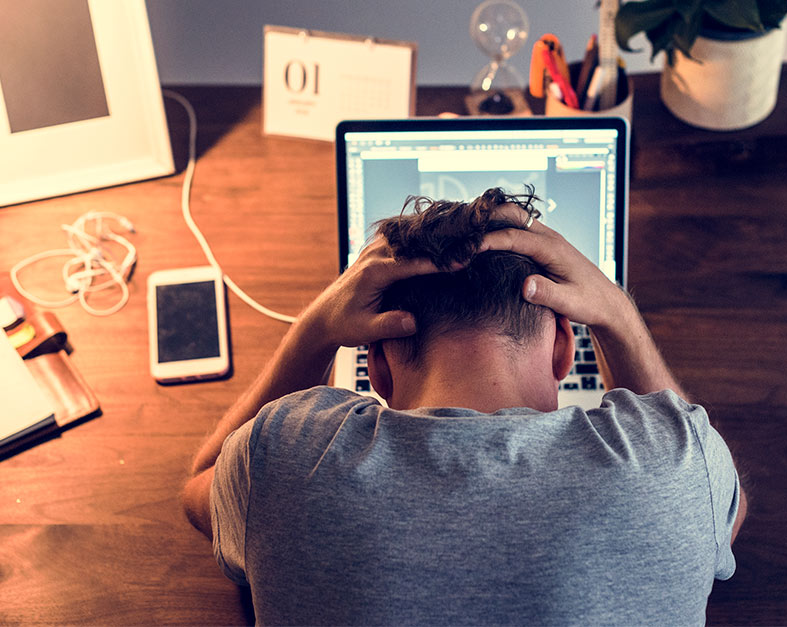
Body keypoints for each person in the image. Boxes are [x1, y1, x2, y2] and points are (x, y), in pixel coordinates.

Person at [181, 187, 747, 625]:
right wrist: (619, 315)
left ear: (375, 367)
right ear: (563, 350)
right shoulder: (677, 468)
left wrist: (315, 331)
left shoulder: (285, 458)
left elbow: (200, 484)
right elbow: (727, 514)